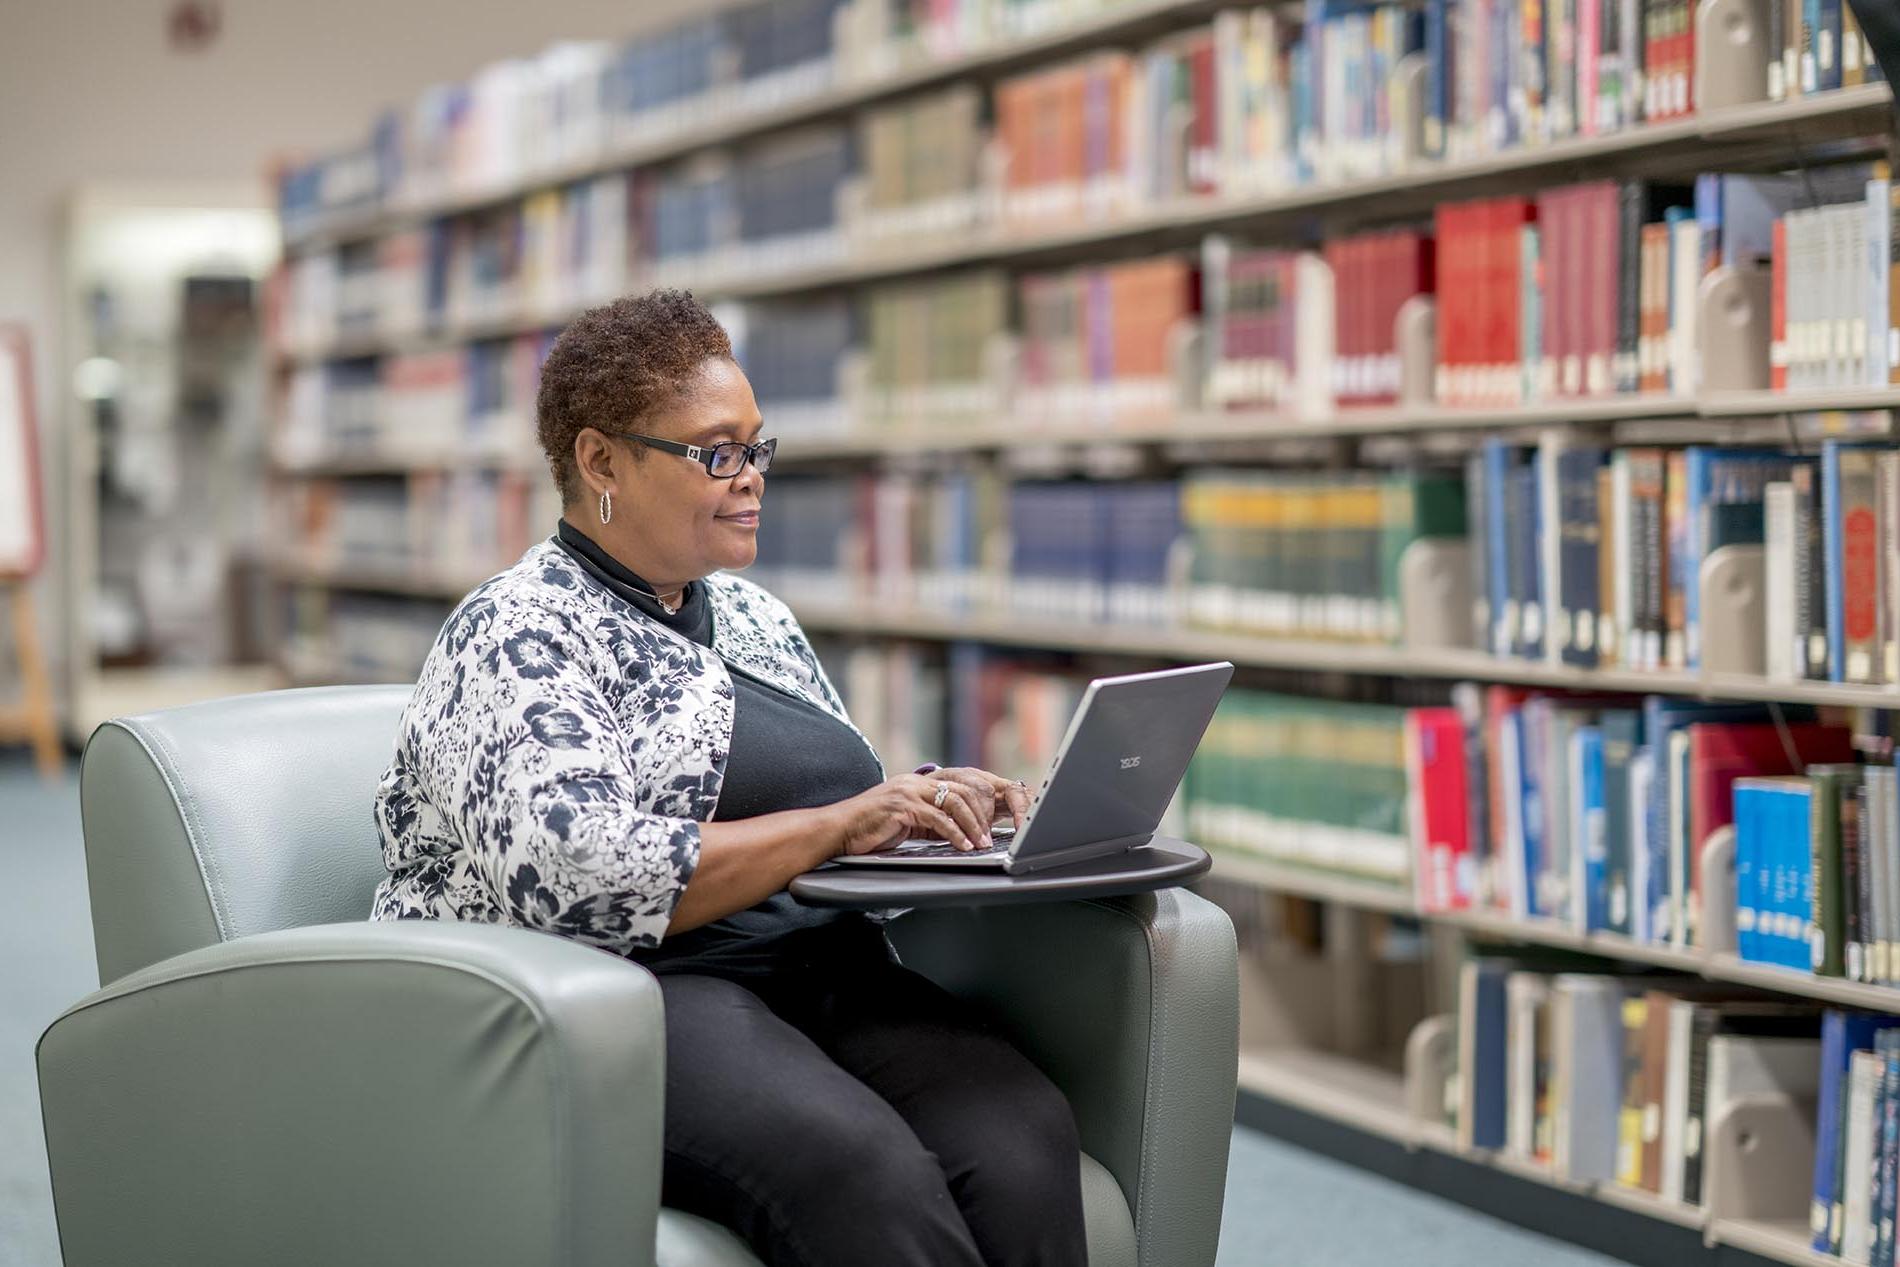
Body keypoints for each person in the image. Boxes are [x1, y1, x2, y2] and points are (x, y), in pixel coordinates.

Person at [368, 288, 1086, 1266]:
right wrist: (837, 826)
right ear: (600, 459)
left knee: (1018, 1132)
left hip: (823, 968)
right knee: (862, 1170)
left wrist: (924, 804)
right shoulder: (518, 628)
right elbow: (574, 877)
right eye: (717, 452)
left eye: (757, 448)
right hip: (639, 992)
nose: (751, 478)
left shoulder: (749, 617)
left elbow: (835, 795)